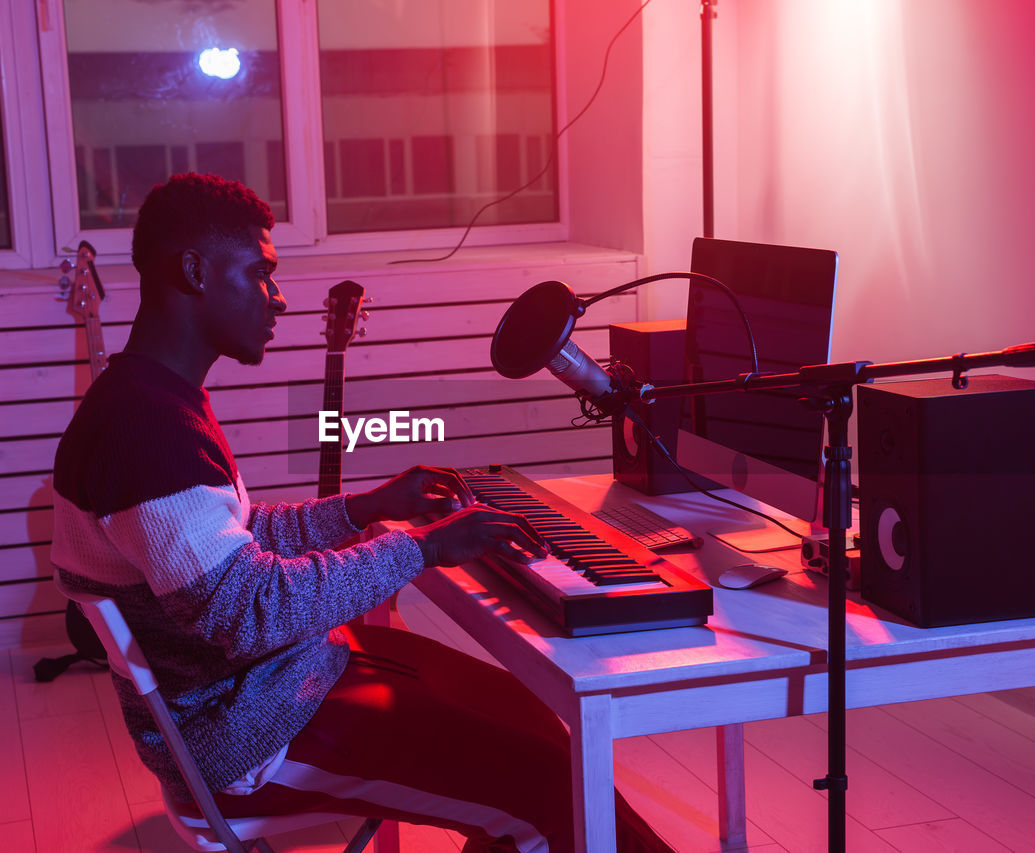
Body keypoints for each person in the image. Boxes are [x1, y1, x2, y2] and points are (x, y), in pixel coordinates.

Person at [50, 172, 675, 852]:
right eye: (261, 272)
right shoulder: (145, 430)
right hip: (250, 739)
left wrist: (367, 506)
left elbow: (241, 541)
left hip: (281, 682)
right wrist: (424, 548)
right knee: (555, 783)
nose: (280, 297)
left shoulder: (156, 400)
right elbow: (248, 611)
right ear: (196, 272)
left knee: (537, 723)